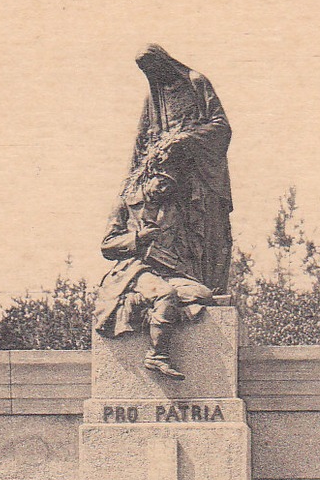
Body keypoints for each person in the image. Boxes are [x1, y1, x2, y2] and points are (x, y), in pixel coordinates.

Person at [94, 45, 233, 379]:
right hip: (163, 177)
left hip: (195, 174)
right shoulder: (152, 100)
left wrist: (183, 141)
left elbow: (221, 129)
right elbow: (142, 144)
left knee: (200, 234)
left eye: (156, 70)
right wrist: (136, 182)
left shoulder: (196, 82)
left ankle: (196, 279)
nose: (154, 79)